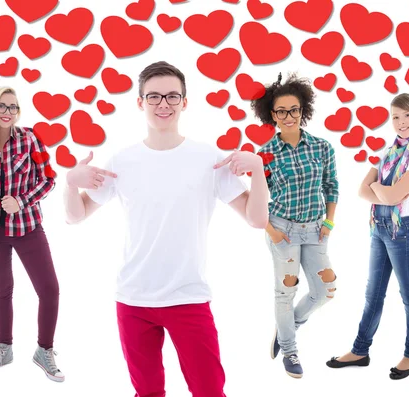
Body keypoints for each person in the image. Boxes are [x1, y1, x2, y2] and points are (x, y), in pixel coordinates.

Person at [63, 61, 269, 397]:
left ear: (184, 103)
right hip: (133, 298)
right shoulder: (123, 159)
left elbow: (256, 218)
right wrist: (71, 184)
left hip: (188, 296)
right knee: (147, 393)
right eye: (154, 96)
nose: (164, 104)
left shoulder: (208, 157)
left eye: (173, 96)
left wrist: (258, 170)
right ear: (140, 102)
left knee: (209, 390)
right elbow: (76, 216)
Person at [326, 93, 409, 380]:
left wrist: (384, 192)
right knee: (373, 294)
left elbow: (393, 194)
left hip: (403, 230)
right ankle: (360, 350)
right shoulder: (389, 150)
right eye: (396, 116)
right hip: (378, 228)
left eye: (407, 115)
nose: (401, 122)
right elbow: (362, 190)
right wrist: (388, 193)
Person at [0, 87, 63, 382]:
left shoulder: (30, 138)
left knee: (49, 290)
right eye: (2, 106)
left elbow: (49, 179)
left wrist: (20, 201)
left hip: (27, 227)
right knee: (2, 290)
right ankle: (4, 348)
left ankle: (44, 350)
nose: (8, 112)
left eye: (13, 107)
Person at [251, 73, 339, 378]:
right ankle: (290, 349)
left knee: (325, 291)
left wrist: (328, 223)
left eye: (294, 109)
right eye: (281, 111)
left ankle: (287, 327)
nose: (289, 116)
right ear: (272, 115)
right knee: (284, 293)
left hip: (316, 230)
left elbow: (332, 186)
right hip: (282, 229)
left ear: (303, 110)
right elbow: (257, 200)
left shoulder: (322, 147)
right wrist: (273, 232)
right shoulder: (264, 154)